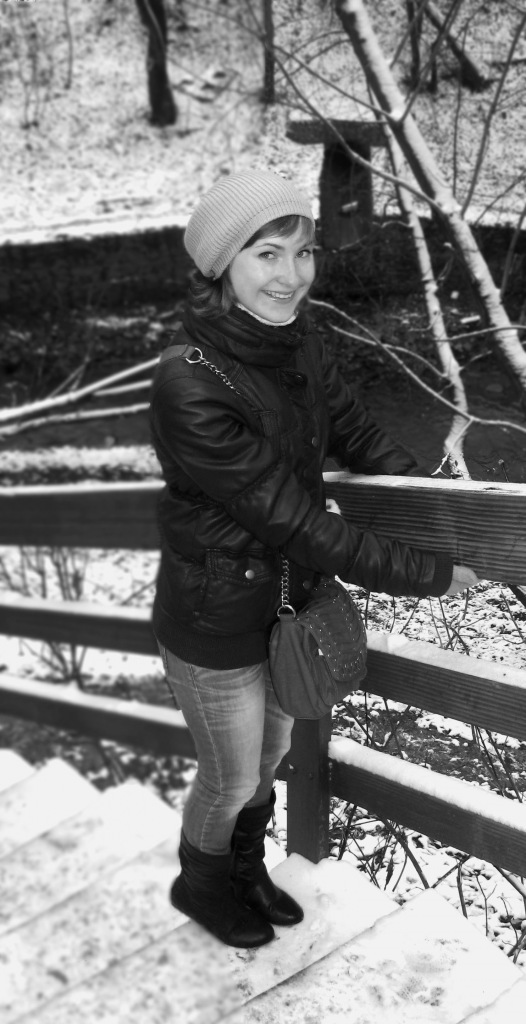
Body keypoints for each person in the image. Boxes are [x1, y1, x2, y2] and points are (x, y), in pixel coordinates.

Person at [149, 169, 478, 950]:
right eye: (267, 254)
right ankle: (202, 884)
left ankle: (245, 870)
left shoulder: (300, 343)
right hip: (215, 617)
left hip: (284, 605)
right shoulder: (188, 383)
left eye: (303, 253)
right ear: (222, 264)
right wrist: (425, 573)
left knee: (267, 759)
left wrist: (443, 518)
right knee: (231, 775)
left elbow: (361, 437)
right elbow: (292, 521)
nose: (292, 276)